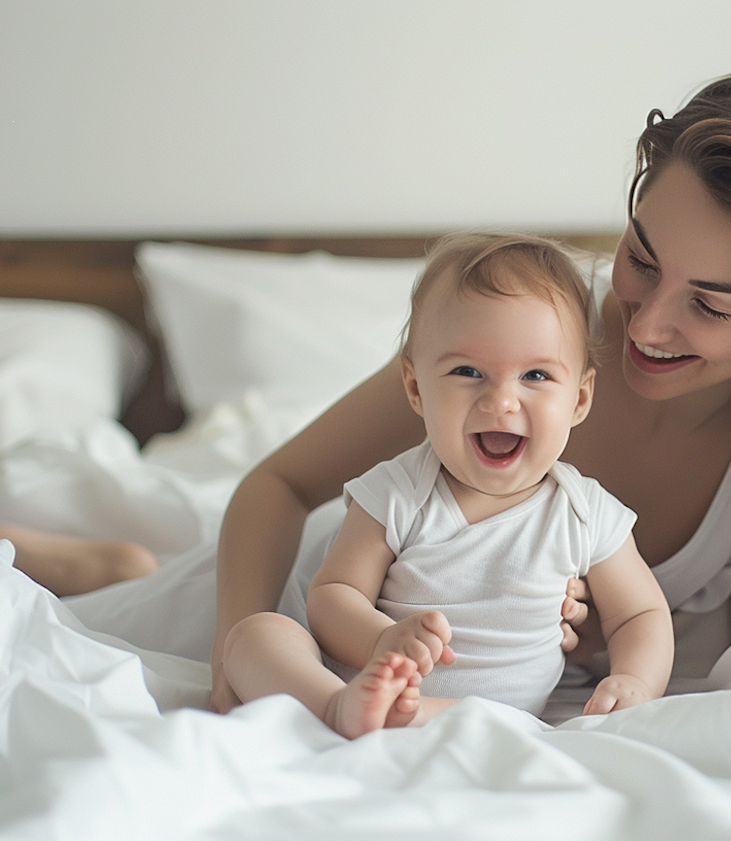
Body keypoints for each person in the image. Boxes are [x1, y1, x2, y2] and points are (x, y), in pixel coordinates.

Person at [0, 65, 731, 715]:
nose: (646, 320)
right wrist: (239, 645)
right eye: (639, 257)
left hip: (462, 679)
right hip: (321, 605)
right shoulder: (520, 342)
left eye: (712, 305)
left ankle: (126, 554)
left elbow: (728, 658)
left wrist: (585, 639)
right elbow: (279, 482)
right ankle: (107, 566)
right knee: (123, 617)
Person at [218, 233, 673, 736]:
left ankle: (405, 718)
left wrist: (635, 681)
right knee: (256, 636)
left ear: (580, 399)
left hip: (505, 718)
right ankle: (334, 707)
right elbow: (333, 596)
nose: (501, 401)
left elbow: (641, 614)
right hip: (376, 686)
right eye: (468, 371)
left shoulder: (585, 512)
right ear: (415, 389)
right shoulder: (397, 492)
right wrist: (382, 640)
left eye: (536, 376)